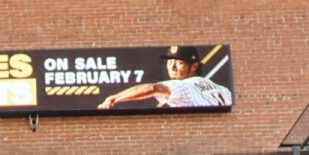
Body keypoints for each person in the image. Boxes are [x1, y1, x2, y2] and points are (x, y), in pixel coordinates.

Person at [97, 45, 232, 109]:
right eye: (169, 62)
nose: (172, 67)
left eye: (179, 62)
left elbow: (152, 88)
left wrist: (114, 98)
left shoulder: (184, 87)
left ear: (194, 66)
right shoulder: (222, 89)